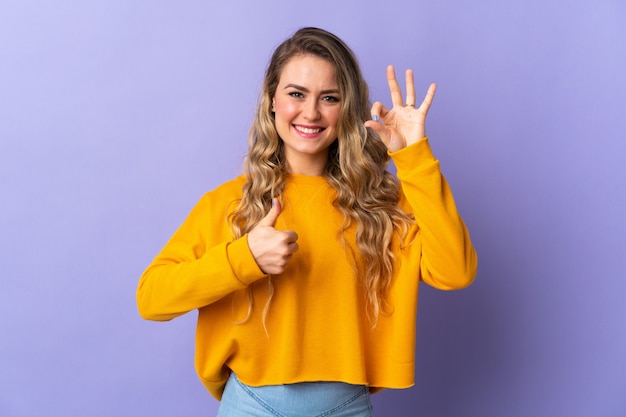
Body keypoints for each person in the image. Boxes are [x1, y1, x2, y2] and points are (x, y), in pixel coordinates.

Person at [137, 27, 477, 417]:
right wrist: (242, 258)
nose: (311, 112)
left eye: (328, 98)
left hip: (345, 406)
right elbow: (151, 299)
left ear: (345, 109)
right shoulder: (229, 203)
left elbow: (456, 272)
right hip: (252, 405)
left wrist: (413, 155)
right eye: (296, 94)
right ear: (271, 101)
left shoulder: (383, 203)